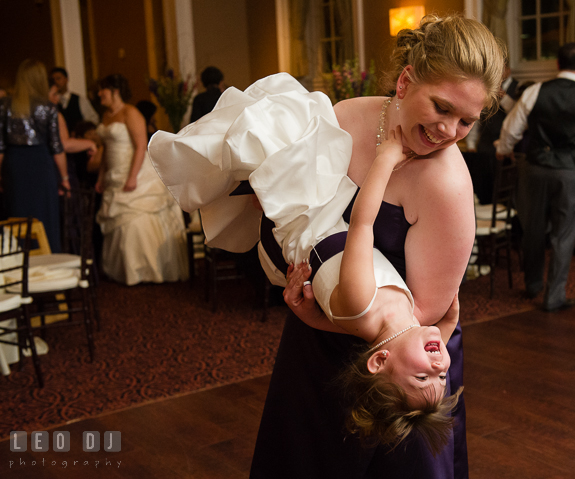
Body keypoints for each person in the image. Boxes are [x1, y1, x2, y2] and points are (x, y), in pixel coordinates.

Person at [151, 14, 504, 477]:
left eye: (466, 121)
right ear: (404, 81)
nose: (448, 131)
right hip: (319, 341)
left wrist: (324, 316)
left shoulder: (447, 186)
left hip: (402, 374)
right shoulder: (344, 116)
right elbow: (300, 204)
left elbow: (423, 319)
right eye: (441, 107)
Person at [496, 42, 575, 312]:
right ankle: (554, 296)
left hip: (535, 169)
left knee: (533, 229)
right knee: (564, 235)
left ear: (558, 64)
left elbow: (511, 127)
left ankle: (533, 284)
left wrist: (503, 151)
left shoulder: (536, 91)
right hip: (570, 173)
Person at [94, 74, 188, 285]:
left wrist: (132, 177)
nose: (99, 94)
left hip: (133, 170)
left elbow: (140, 146)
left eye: (103, 90)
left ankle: (144, 270)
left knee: (135, 221)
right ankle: (122, 270)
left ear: (115, 91)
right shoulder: (107, 116)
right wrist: (101, 176)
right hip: (112, 174)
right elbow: (107, 149)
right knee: (118, 222)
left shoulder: (131, 112)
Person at [0, 59, 70, 252]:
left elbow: (0, 147)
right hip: (40, 163)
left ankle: (21, 264)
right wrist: (64, 178)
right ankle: (47, 262)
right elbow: (56, 147)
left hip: (14, 165)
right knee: (45, 215)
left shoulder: (5, 105)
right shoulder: (47, 107)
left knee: (18, 216)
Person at [464, 58, 520, 204]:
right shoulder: (484, 88)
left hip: (506, 147)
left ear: (508, 69)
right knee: (485, 186)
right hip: (485, 145)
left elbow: (516, 113)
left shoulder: (518, 87)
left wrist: (503, 96)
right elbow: (476, 117)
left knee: (504, 185)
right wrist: (470, 143)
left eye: (501, 69)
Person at [49, 67, 99, 132]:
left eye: (58, 78)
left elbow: (93, 120)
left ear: (66, 79)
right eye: (53, 80)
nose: (56, 82)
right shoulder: (51, 101)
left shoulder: (80, 100)